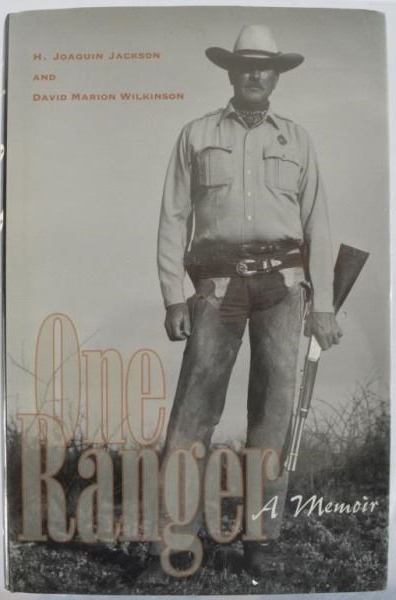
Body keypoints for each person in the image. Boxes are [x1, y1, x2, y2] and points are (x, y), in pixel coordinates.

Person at [154, 24, 342, 579]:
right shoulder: (195, 135)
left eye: (266, 67)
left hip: (283, 288)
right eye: (246, 66)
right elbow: (173, 219)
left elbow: (318, 224)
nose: (255, 74)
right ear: (231, 73)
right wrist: (172, 296)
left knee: (272, 416)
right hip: (215, 287)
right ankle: (176, 544)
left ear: (276, 77)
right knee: (192, 414)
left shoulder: (298, 140)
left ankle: (260, 543)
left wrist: (324, 304)